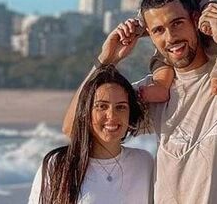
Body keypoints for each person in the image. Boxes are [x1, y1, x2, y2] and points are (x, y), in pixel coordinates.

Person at [65, 0, 217, 203]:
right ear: (150, 35)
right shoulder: (155, 91)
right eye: (158, 30)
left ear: (195, 20)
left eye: (177, 23)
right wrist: (106, 60)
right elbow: (75, 126)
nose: (170, 37)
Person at [31, 65, 153, 204]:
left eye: (121, 107)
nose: (111, 115)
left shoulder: (144, 162)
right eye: (102, 106)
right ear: (86, 112)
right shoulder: (58, 165)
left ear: (130, 114)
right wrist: (103, 60)